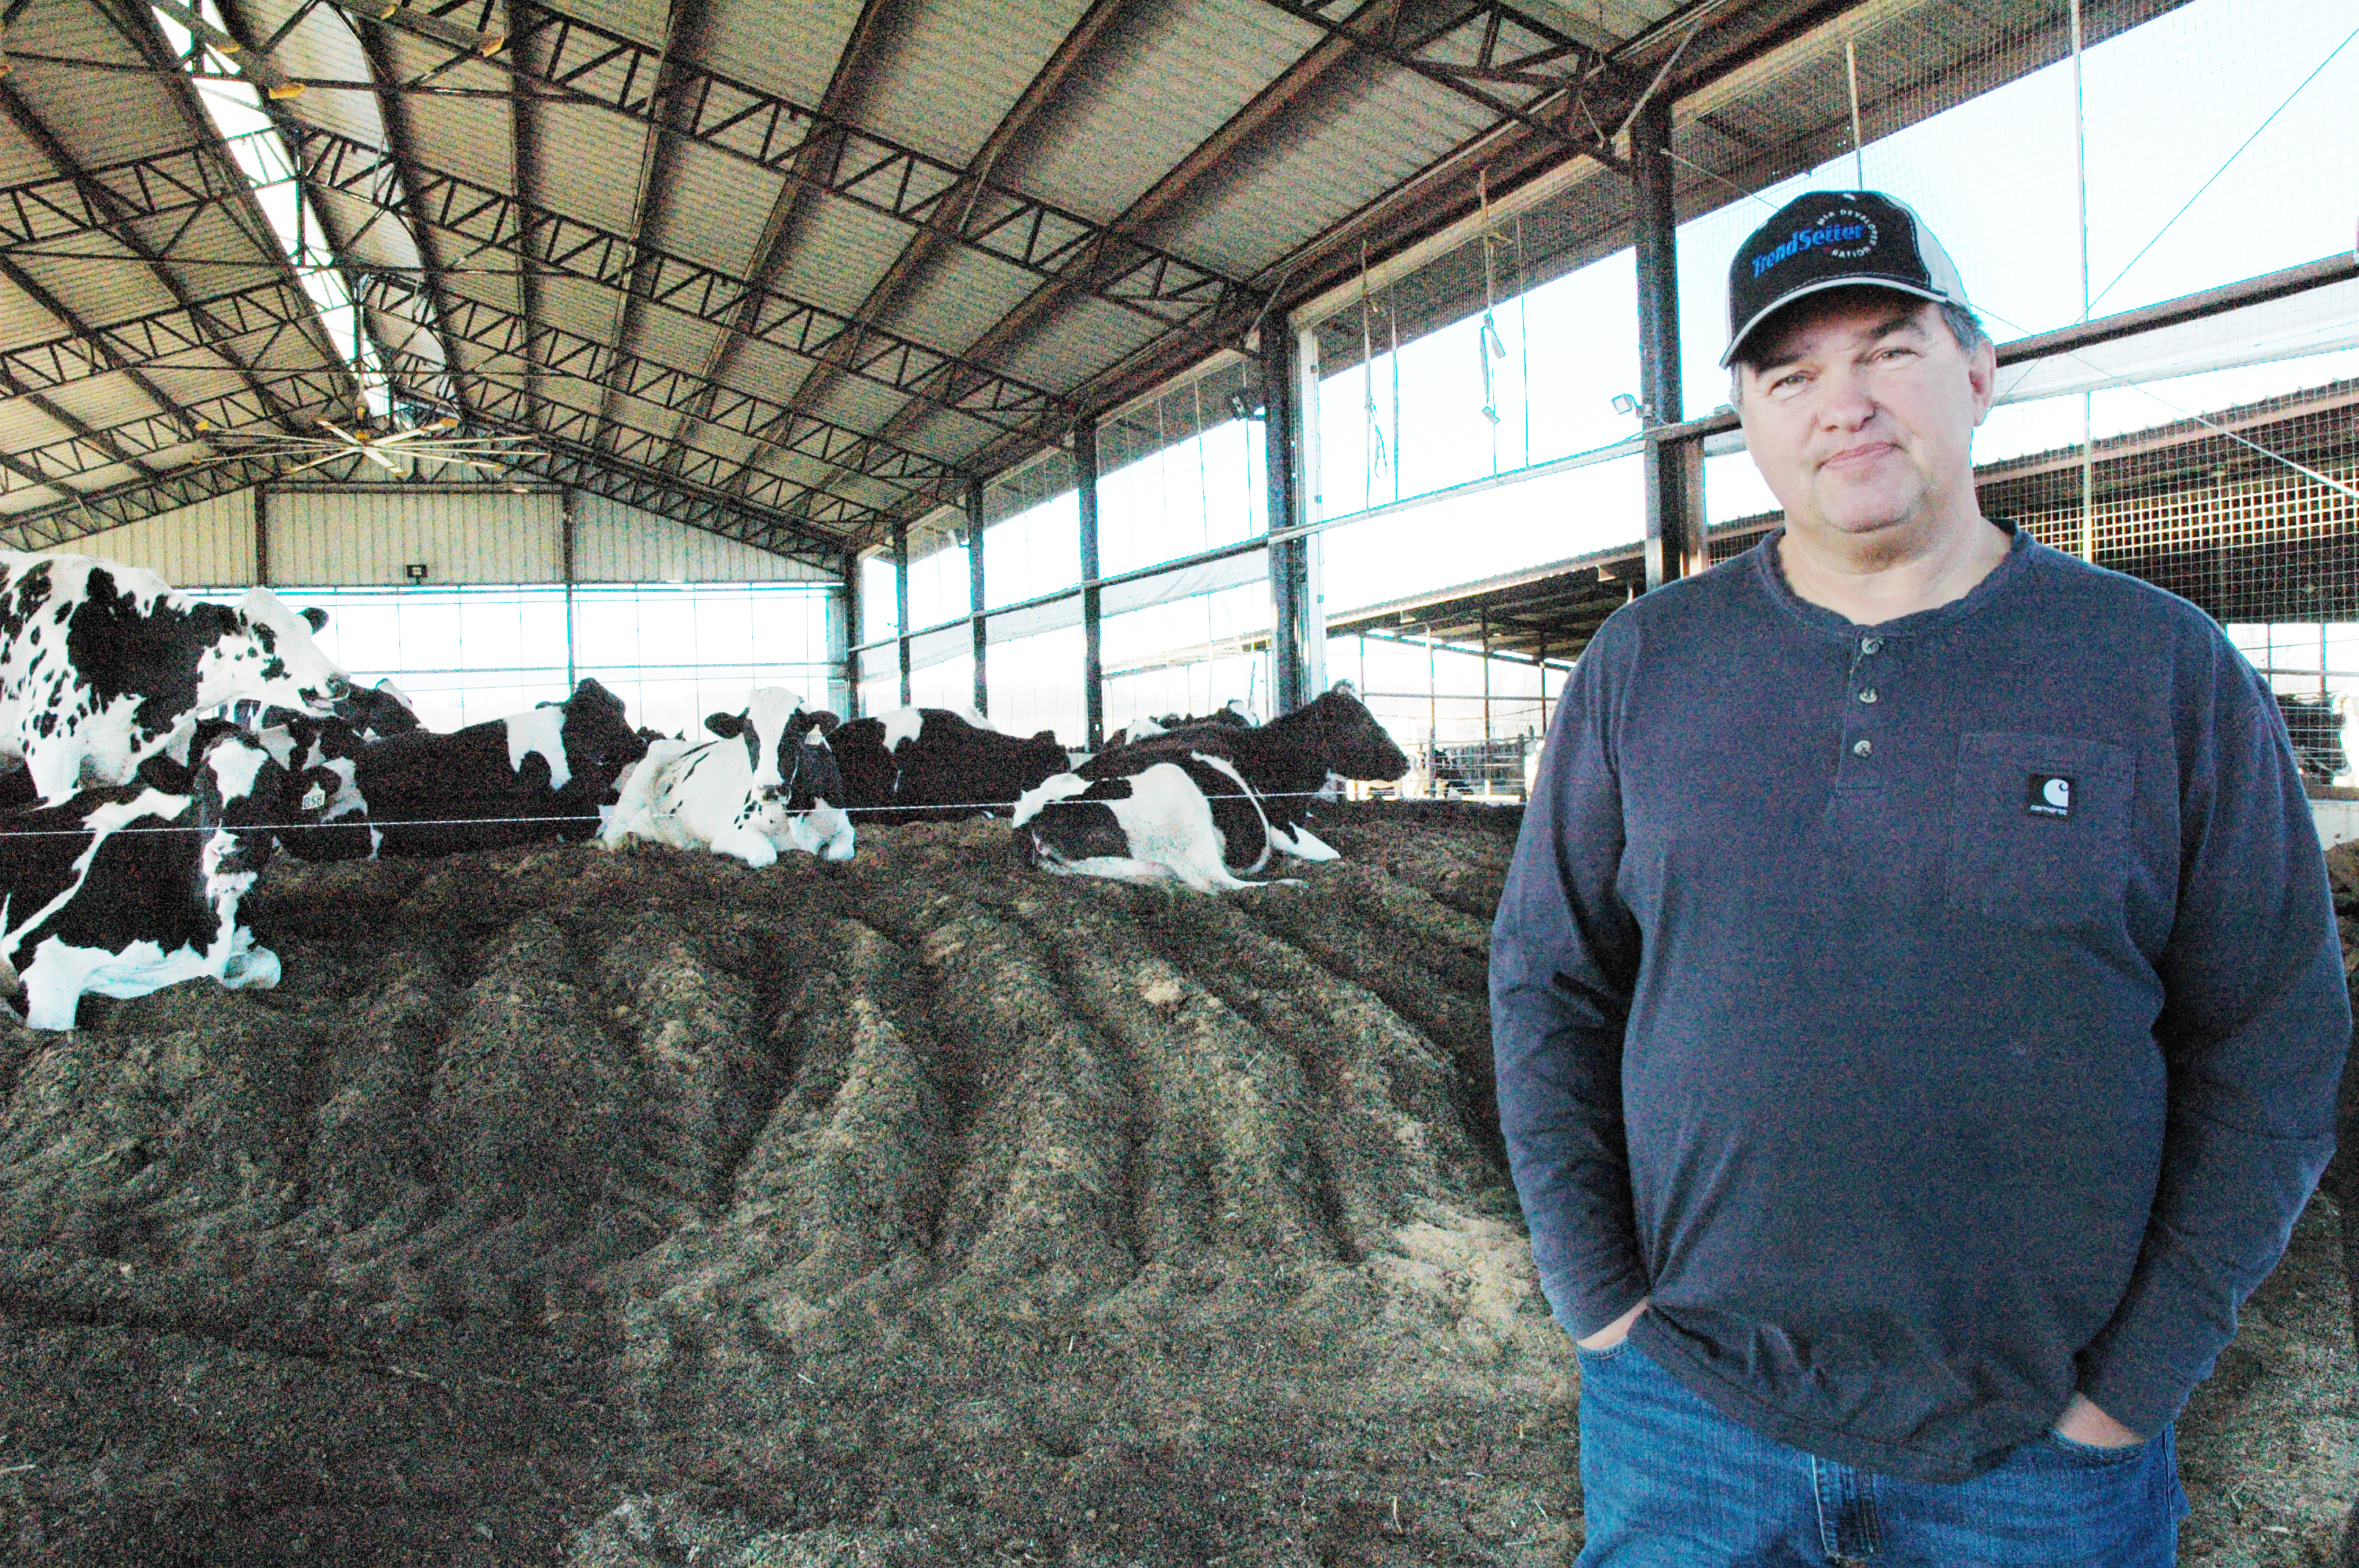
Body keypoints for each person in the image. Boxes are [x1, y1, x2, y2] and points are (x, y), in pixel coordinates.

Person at [1489, 189, 2350, 1566]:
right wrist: (1603, 1309)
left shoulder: (2160, 668)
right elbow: (1548, 989)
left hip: (2039, 1458)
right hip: (1690, 1425)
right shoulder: (1644, 667)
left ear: (1977, 370)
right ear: (1752, 424)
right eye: (1793, 373)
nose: (1847, 403)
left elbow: (2274, 1040)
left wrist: (2128, 1395)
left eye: (1888, 349)